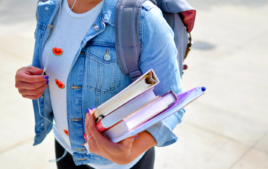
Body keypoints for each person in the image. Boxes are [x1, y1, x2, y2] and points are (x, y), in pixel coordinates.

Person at [15, 0, 184, 168]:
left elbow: (171, 103)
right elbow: (55, 65)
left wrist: (130, 153)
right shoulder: (49, 6)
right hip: (64, 148)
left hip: (120, 165)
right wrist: (30, 79)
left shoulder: (144, 18)